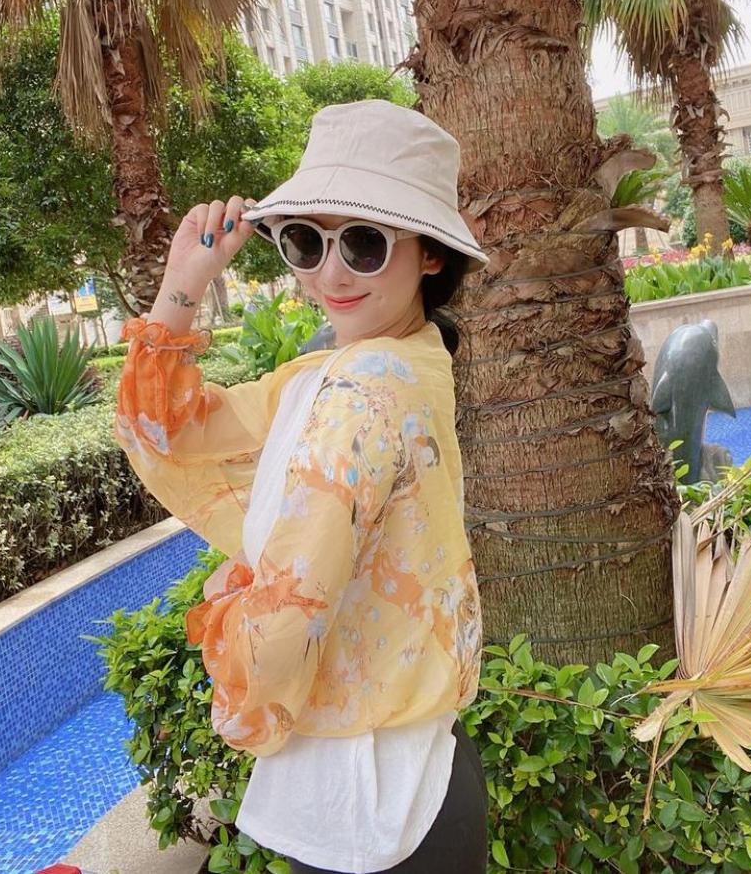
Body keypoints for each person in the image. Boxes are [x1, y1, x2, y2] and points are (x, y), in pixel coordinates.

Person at [114, 99, 490, 874]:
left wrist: (226, 603)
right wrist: (184, 283)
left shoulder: (361, 389)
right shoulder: (373, 365)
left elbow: (280, 631)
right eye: (305, 242)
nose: (331, 273)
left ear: (429, 254)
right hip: (416, 780)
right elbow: (172, 425)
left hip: (373, 802)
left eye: (363, 242)